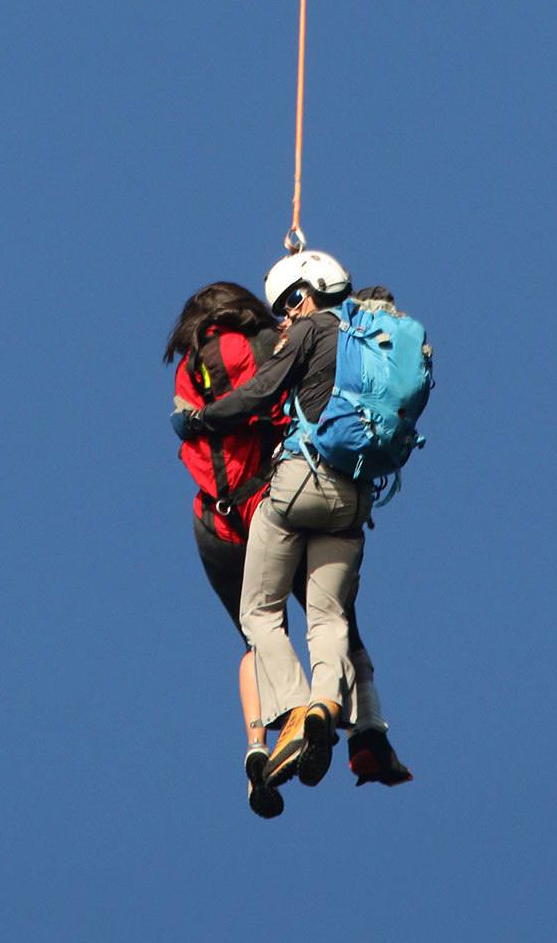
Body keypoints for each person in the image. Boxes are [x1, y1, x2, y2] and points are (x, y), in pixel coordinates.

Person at [172, 252, 414, 795]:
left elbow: (261, 392)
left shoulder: (300, 333)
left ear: (303, 296)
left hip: (279, 496)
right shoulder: (370, 332)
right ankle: (353, 720)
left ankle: (284, 723)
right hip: (353, 497)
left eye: (286, 305)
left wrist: (206, 418)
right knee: (330, 618)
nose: (281, 317)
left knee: (258, 617)